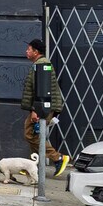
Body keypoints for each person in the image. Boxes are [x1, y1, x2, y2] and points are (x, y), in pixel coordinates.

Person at [21, 37, 67, 177]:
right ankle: (32, 166)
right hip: (43, 107)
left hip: (42, 108)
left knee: (30, 134)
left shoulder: (42, 64)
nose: (26, 51)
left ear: (36, 51)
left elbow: (40, 89)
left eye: (29, 49)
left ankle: (58, 158)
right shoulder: (40, 64)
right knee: (33, 134)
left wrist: (36, 110)